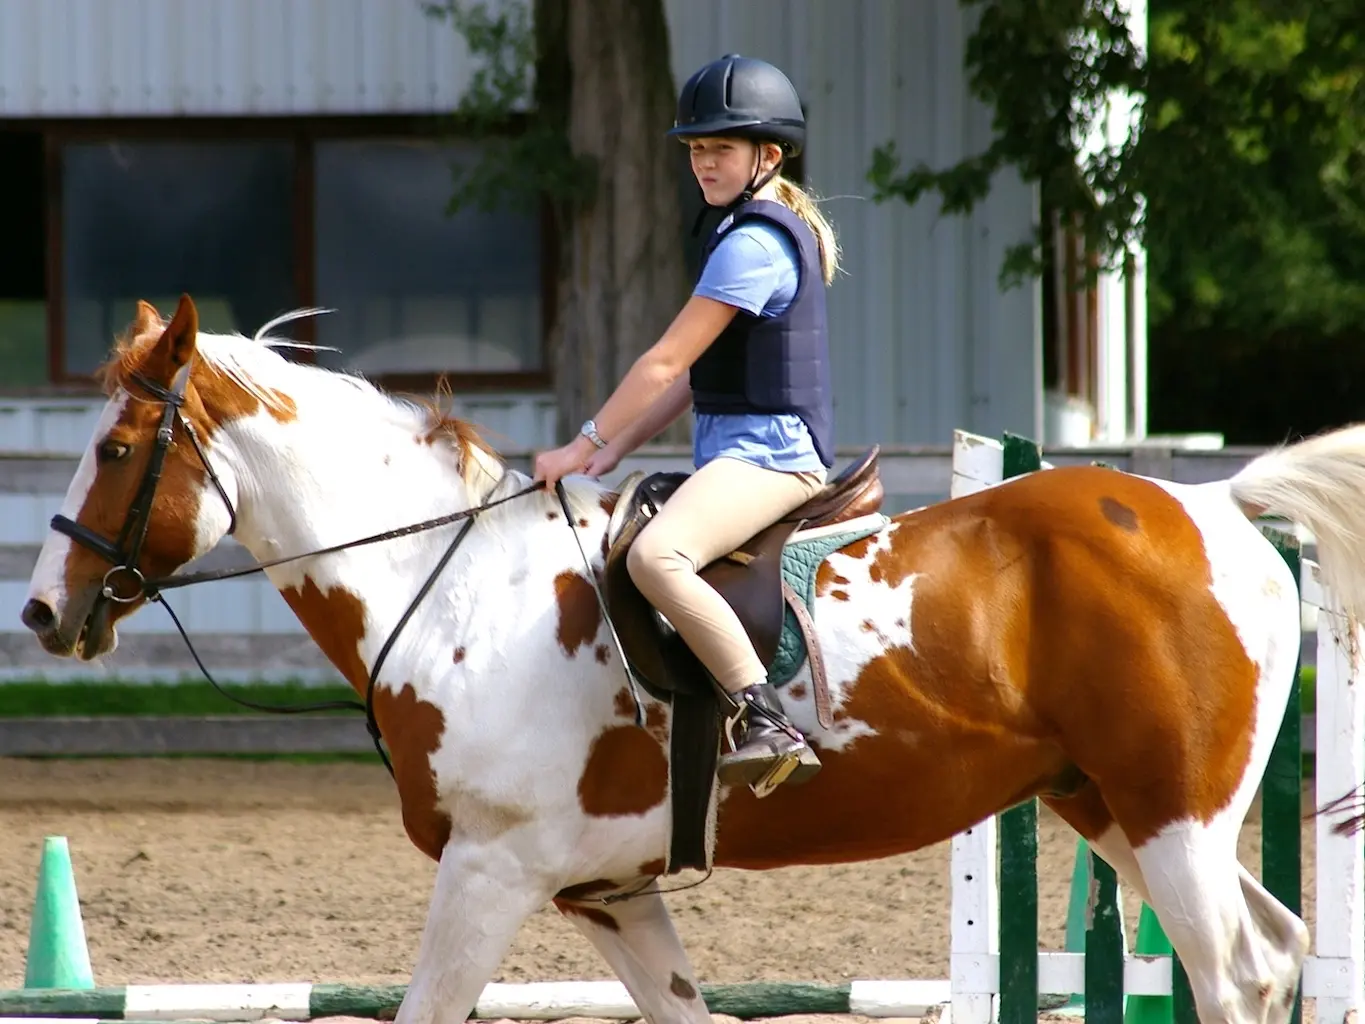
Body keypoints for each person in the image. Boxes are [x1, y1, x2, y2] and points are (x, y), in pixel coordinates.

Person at [533, 53, 841, 793]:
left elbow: (666, 364)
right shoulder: (732, 228)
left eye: (720, 149)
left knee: (657, 558)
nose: (703, 163)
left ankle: (762, 715)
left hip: (774, 459)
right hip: (737, 453)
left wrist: (585, 440)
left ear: (766, 156)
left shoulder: (753, 244)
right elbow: (696, 381)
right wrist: (615, 451)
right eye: (696, 149)